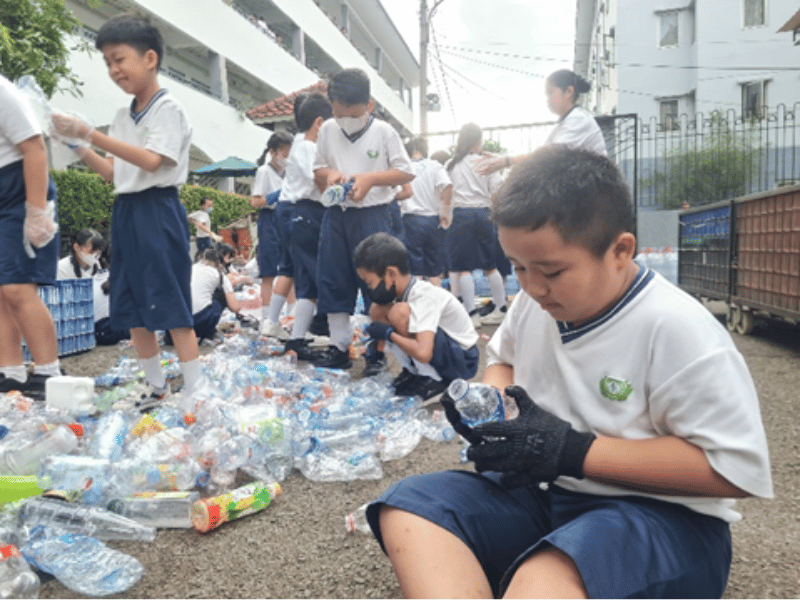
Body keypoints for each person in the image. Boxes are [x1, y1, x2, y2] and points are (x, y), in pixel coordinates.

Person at [366, 146, 773, 599]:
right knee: (410, 510)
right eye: (518, 267)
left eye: (552, 271)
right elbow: (503, 361)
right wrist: (498, 412)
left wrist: (574, 451)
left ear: (620, 251)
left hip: (660, 519)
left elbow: (735, 469)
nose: (533, 287)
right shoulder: (536, 304)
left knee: (545, 579)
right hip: (548, 493)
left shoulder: (675, 327)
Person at [51, 13, 203, 407]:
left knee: (171, 303)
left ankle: (197, 393)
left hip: (159, 210)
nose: (114, 70)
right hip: (127, 212)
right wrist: (77, 146)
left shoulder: (168, 108)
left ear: (149, 58)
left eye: (119, 59)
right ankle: (156, 386)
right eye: (108, 63)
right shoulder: (123, 116)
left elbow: (152, 161)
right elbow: (113, 173)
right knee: (133, 304)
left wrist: (91, 134)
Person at [311, 67, 414, 370]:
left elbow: (406, 171)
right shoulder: (328, 129)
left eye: (355, 115)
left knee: (378, 285)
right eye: (341, 113)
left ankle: (376, 349)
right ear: (332, 106)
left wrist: (371, 179)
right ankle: (339, 346)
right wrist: (330, 174)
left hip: (373, 216)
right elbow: (318, 169)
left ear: (369, 106)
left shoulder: (384, 132)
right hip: (336, 215)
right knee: (333, 278)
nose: (347, 120)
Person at [355, 233, 478, 399]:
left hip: (462, 359)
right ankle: (413, 372)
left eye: (370, 283)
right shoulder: (405, 294)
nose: (370, 289)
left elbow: (423, 352)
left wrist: (388, 335)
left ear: (391, 274)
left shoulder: (423, 296)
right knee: (378, 310)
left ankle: (433, 380)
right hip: (446, 352)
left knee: (399, 312)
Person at [0, 74, 61, 400]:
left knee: (17, 286)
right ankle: (10, 373)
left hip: (20, 187)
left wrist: (36, 212)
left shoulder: (2, 92)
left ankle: (49, 371)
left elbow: (35, 148)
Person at [279, 92, 333, 361]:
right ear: (320, 123)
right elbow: (319, 180)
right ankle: (333, 337)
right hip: (312, 212)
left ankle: (297, 339)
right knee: (324, 276)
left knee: (307, 282)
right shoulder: (310, 148)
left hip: (300, 214)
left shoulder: (299, 145)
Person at [480, 69, 607, 177]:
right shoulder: (565, 123)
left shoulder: (579, 119)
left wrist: (505, 161)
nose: (547, 99)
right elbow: (540, 156)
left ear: (568, 92)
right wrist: (501, 159)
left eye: (550, 93)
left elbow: (547, 156)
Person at [445, 123, 507, 329]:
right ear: (478, 141)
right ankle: (501, 308)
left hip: (461, 215)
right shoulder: (487, 163)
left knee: (464, 268)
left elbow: (446, 195)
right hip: (484, 213)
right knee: (490, 265)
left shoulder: (451, 165)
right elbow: (496, 192)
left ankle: (471, 314)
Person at [251, 131, 293, 338]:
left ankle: (291, 317)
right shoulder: (264, 172)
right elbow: (256, 202)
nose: (287, 156)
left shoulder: (290, 172)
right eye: (284, 152)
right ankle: (267, 318)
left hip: (287, 220)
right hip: (270, 221)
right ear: (273, 152)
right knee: (268, 272)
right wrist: (275, 195)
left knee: (291, 270)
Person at [56, 230, 129, 346]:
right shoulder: (62, 268)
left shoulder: (96, 265)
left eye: (98, 251)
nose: (96, 254)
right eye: (92, 250)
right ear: (77, 247)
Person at [401, 136, 453, 287]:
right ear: (424, 150)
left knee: (414, 268)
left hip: (410, 220)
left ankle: (417, 303)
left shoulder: (403, 168)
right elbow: (447, 186)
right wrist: (445, 210)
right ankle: (439, 303)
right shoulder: (435, 166)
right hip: (432, 221)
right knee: (434, 269)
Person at [188, 248, 240, 342]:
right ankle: (207, 332)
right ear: (217, 263)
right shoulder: (219, 274)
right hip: (198, 321)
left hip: (176, 323)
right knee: (221, 296)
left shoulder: (187, 269)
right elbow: (235, 307)